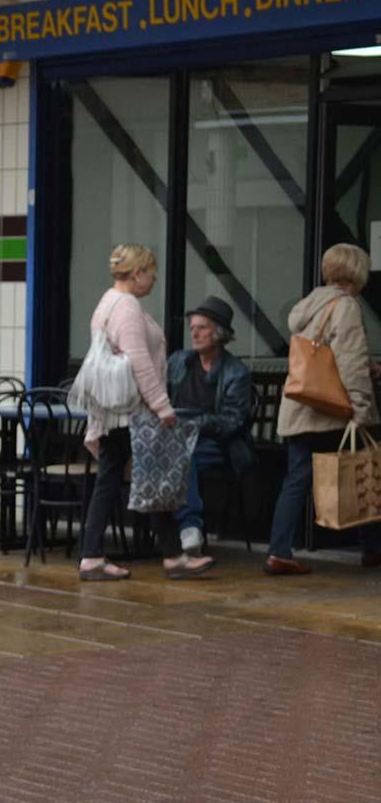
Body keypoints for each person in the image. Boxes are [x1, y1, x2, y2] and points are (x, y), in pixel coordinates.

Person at [77, 245, 215, 580]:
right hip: (131, 413)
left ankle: (169, 555)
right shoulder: (126, 306)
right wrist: (162, 407)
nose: (154, 278)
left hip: (116, 412)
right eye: (151, 271)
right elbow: (139, 361)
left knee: (144, 478)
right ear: (137, 273)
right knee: (130, 479)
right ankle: (94, 557)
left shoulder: (107, 302)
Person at [269, 243, 381, 574]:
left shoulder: (309, 305)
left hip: (301, 407)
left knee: (296, 479)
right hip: (333, 411)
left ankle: (279, 550)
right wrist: (361, 407)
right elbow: (350, 362)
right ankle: (373, 548)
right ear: (357, 273)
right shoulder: (345, 306)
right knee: (365, 470)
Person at [166, 295, 252, 555]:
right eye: (192, 327)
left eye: (202, 327)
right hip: (175, 438)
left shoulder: (236, 372)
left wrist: (194, 424)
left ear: (219, 333)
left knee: (182, 455)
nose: (195, 333)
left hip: (216, 444)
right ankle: (159, 537)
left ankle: (190, 528)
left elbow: (232, 421)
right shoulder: (179, 361)